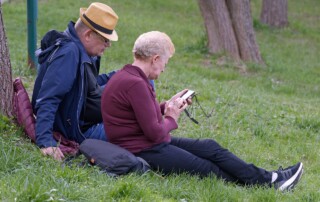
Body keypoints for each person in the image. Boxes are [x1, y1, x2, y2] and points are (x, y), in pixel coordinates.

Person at [101, 31, 304, 191]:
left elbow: (139, 113)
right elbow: (154, 131)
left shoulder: (127, 75)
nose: (164, 68)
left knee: (209, 147)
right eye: (165, 62)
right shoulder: (135, 83)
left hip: (147, 143)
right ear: (155, 59)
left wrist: (168, 105)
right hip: (143, 150)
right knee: (206, 167)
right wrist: (172, 118)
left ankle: (269, 178)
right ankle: (270, 183)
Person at [31, 2, 119, 161]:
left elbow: (87, 83)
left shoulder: (80, 50)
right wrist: (45, 141)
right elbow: (49, 98)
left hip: (86, 117)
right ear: (88, 35)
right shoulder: (69, 53)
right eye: (105, 40)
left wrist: (123, 75)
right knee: (137, 130)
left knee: (140, 78)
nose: (109, 45)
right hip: (80, 131)